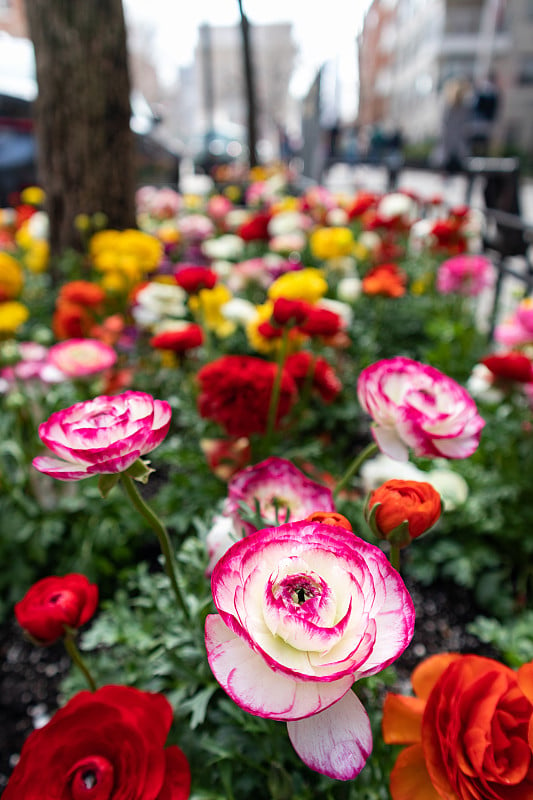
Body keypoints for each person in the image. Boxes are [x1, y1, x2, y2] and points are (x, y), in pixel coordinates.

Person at [436, 78, 471, 175]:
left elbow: (464, 128)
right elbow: (445, 129)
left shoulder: (465, 107)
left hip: (458, 146)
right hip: (448, 146)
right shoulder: (448, 106)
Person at [468, 74, 500, 156]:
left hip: (480, 122)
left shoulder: (484, 91)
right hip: (483, 122)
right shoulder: (494, 92)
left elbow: (474, 105)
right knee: (481, 144)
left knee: (477, 143)